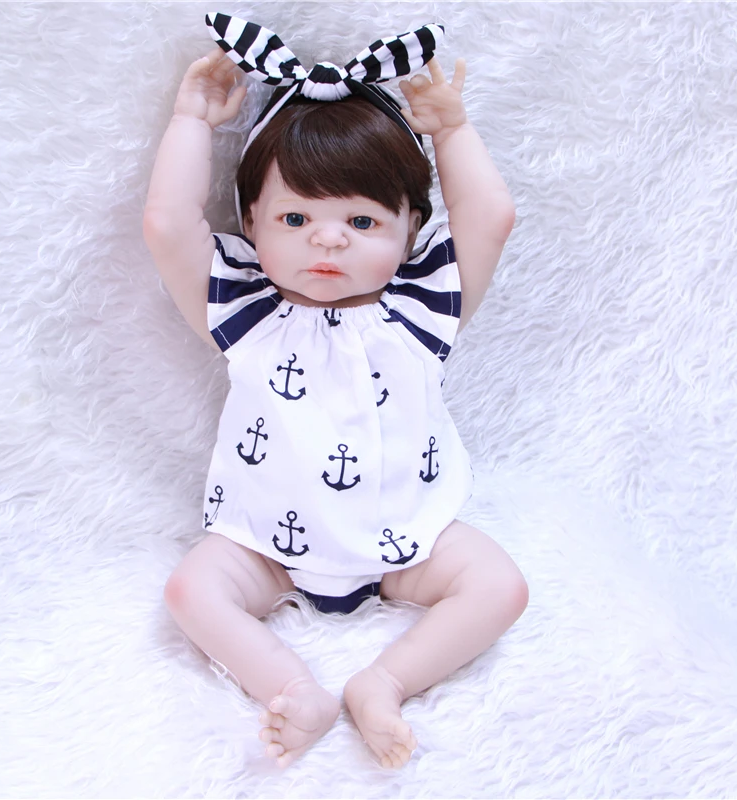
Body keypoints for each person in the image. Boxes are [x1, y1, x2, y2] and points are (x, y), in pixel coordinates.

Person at [143, 14, 528, 770]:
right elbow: (167, 222)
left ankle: (384, 682)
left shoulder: (423, 312)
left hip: (404, 541)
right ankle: (293, 688)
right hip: (268, 547)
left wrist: (452, 131)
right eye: (295, 217)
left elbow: (492, 216)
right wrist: (192, 121)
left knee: (500, 588)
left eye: (361, 219)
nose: (328, 238)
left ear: (411, 229)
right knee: (191, 591)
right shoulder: (245, 314)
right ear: (250, 222)